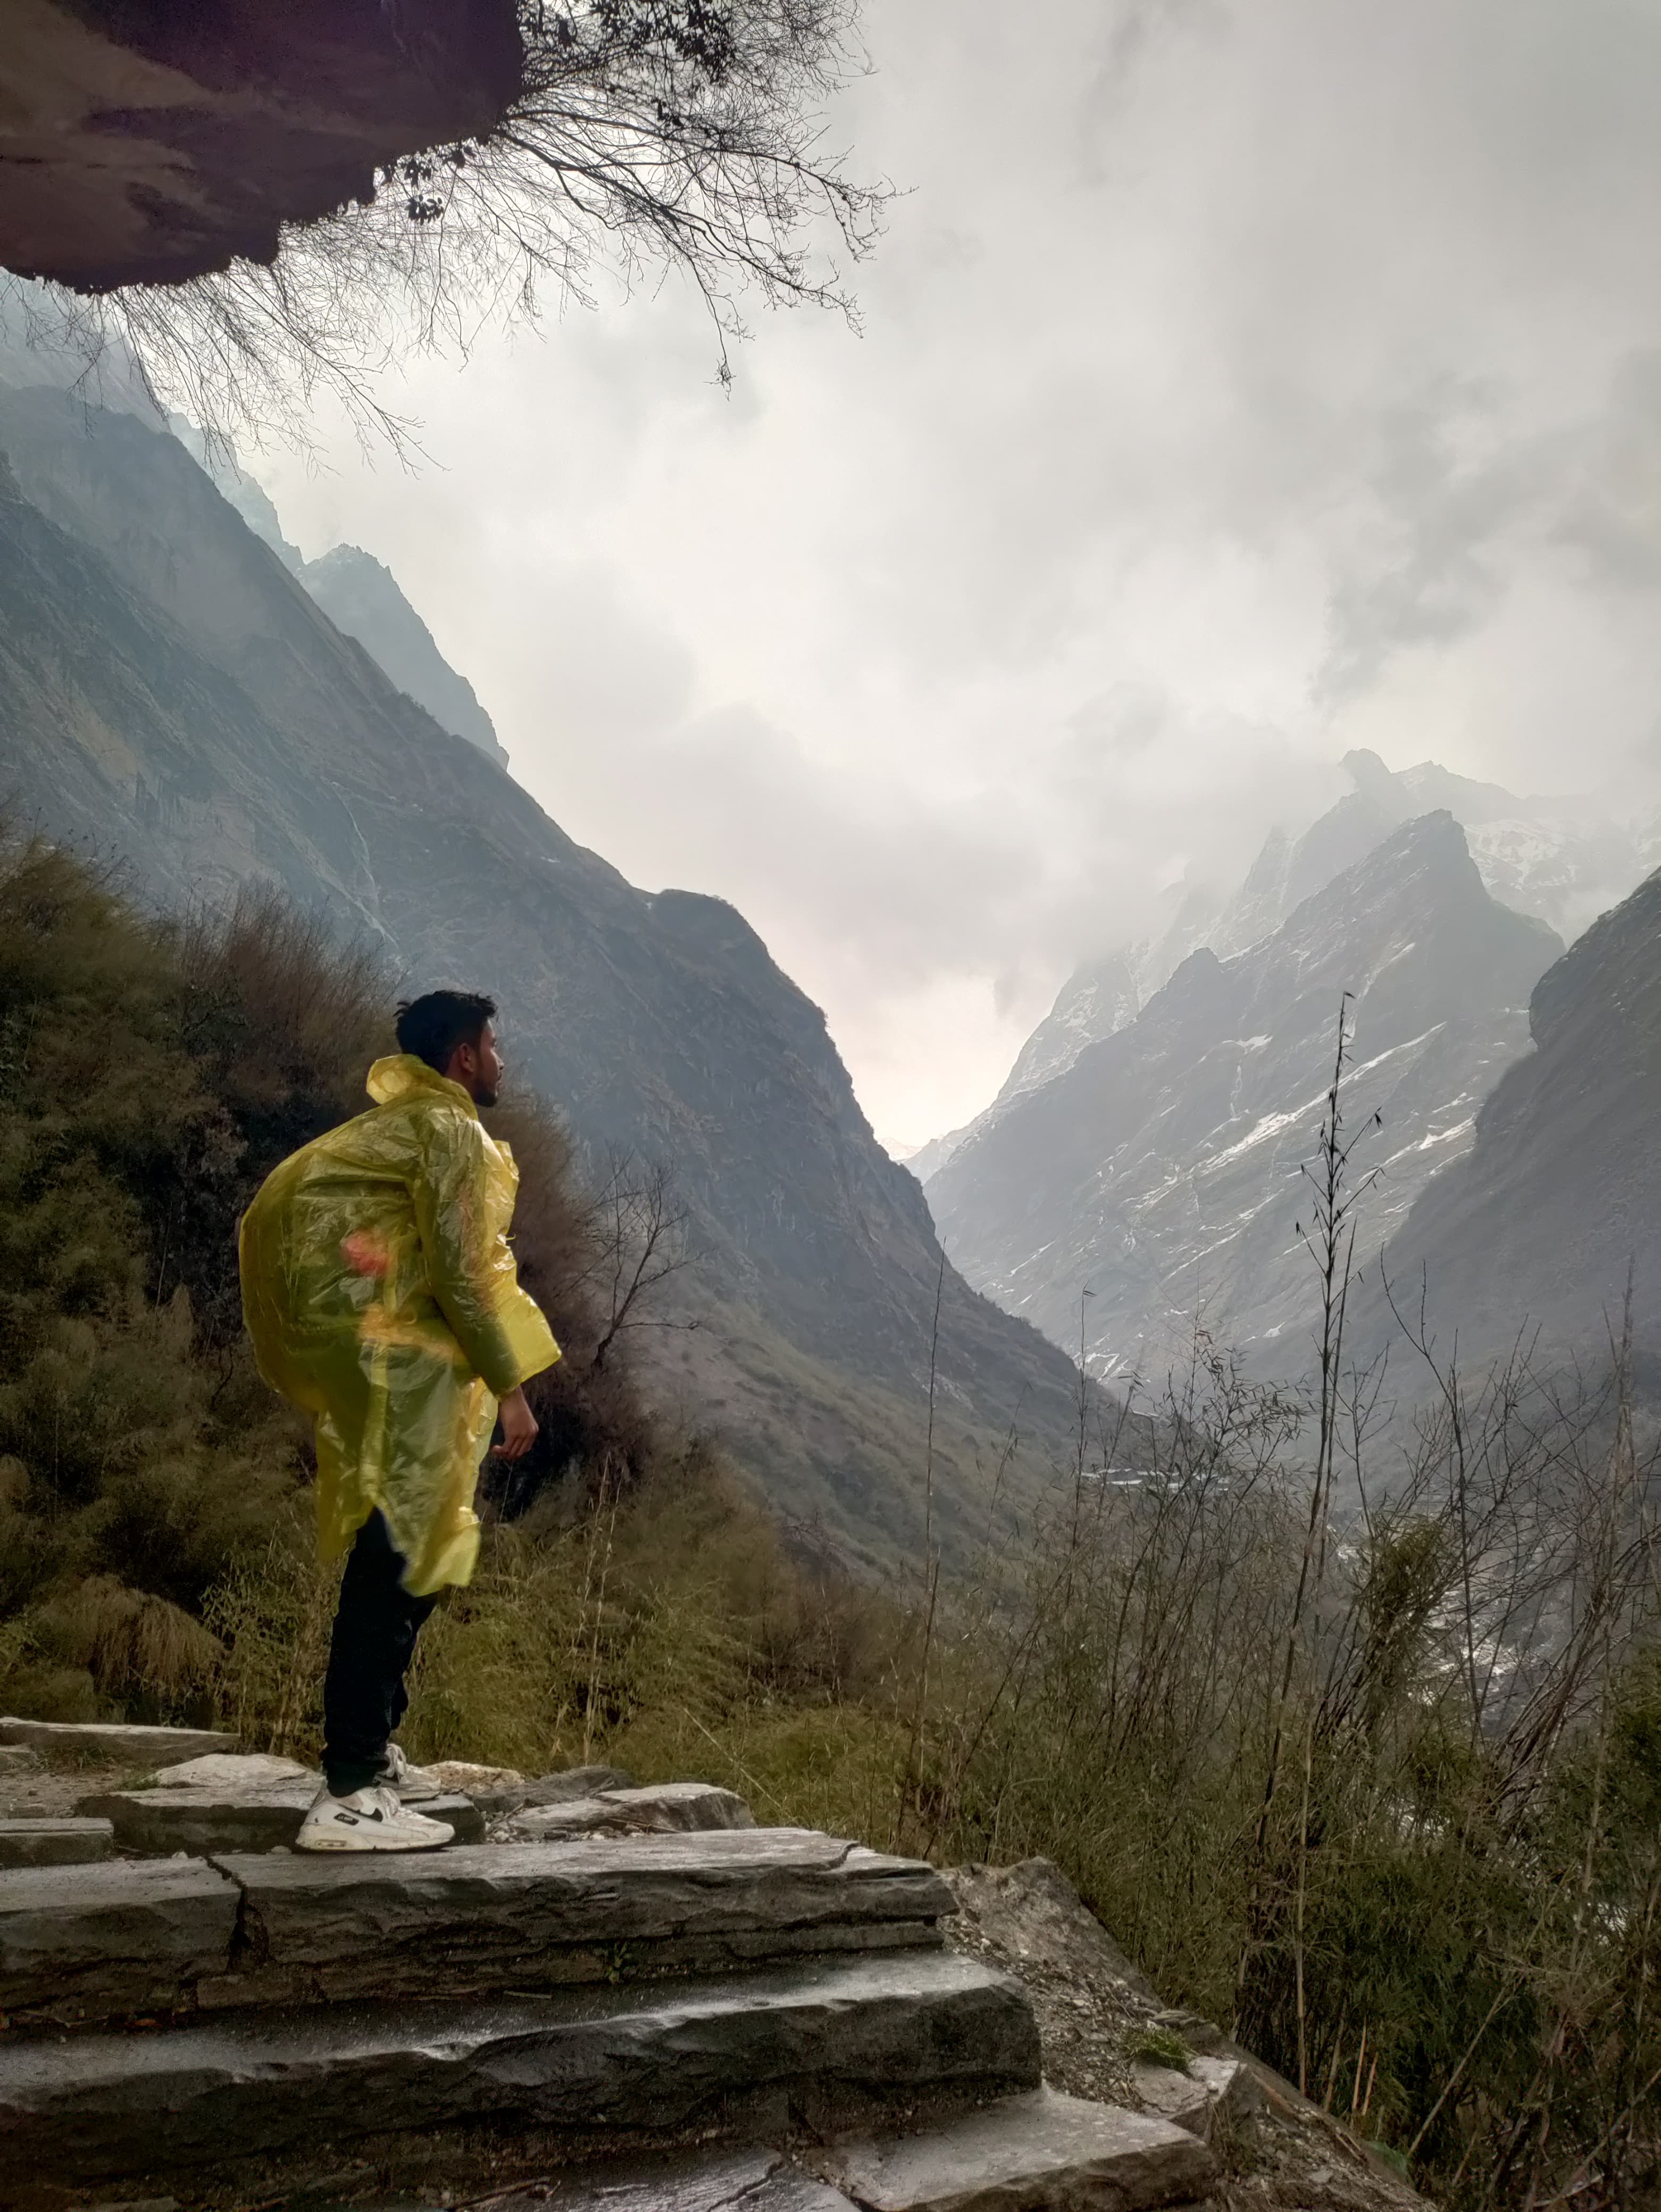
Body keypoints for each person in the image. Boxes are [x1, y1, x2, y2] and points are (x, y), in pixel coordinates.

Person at [239, 990, 559, 1850]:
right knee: (393, 1567)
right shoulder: (449, 1133)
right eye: (494, 1046)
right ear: (463, 1057)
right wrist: (515, 1387)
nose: (501, 1061)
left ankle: (369, 1756)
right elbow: (463, 1276)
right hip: (411, 1378)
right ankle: (347, 1790)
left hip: (400, 1369)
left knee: (409, 1556)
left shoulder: (411, 1127)